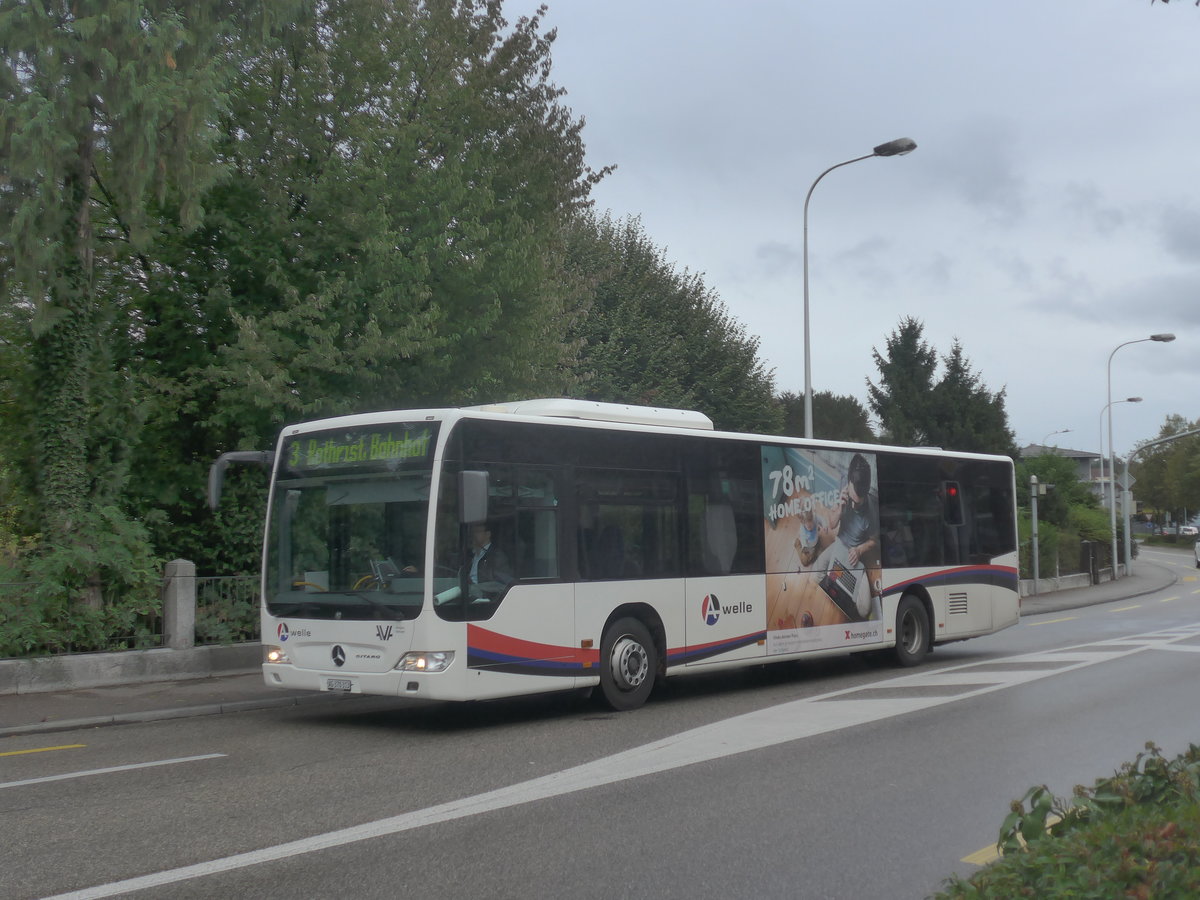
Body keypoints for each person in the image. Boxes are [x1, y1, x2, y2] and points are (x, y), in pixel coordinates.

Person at [466, 521, 513, 594]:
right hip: (467, 594)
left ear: (487, 534)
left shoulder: (497, 556)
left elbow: (503, 584)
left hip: (486, 597)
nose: (473, 535)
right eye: (472, 532)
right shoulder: (469, 555)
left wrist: (476, 587)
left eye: (477, 532)